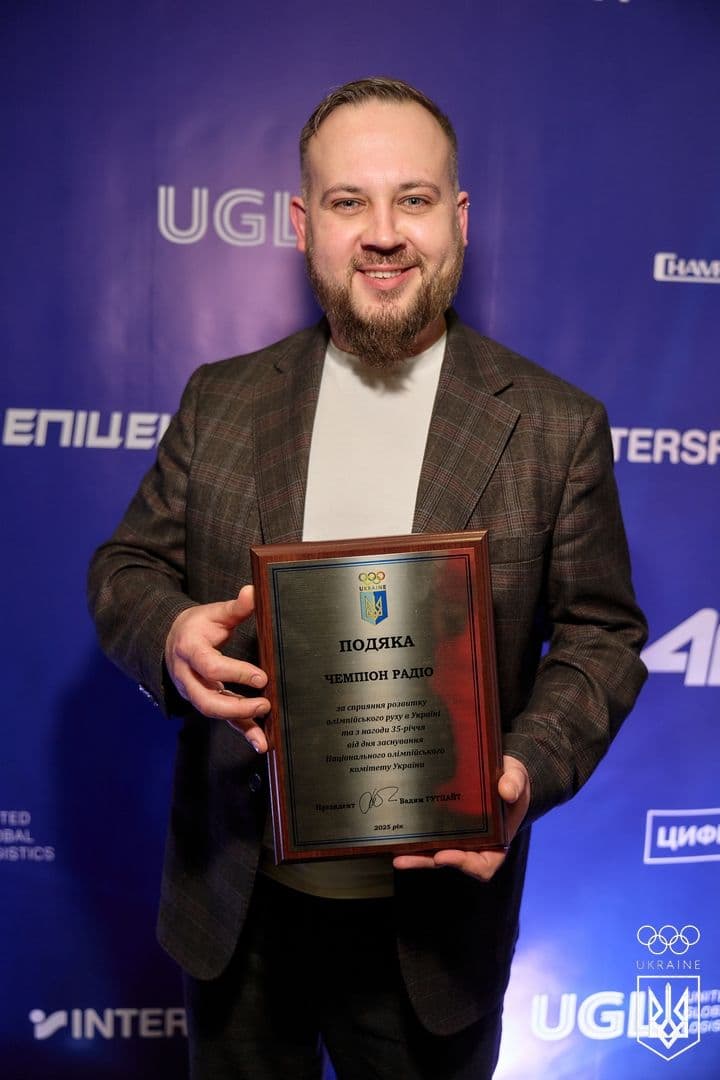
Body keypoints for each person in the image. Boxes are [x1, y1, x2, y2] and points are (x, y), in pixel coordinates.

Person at [88, 77, 647, 1079]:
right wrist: (169, 634)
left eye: (413, 199)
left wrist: (521, 771)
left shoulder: (557, 426)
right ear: (303, 224)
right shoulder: (222, 400)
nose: (384, 234)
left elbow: (602, 638)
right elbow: (125, 568)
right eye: (350, 201)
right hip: (239, 913)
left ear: (458, 218)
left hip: (435, 938)